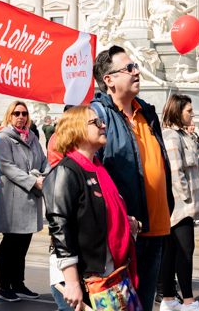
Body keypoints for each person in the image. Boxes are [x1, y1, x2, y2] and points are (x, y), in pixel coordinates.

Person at [90, 46, 173, 311]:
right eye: (129, 68)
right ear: (109, 80)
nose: (136, 71)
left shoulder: (147, 112)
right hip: (124, 233)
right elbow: (90, 174)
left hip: (155, 228)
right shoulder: (98, 116)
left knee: (144, 306)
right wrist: (117, 218)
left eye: (135, 66)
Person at [45, 106, 141, 311]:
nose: (103, 125)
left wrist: (126, 222)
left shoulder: (98, 168)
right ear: (77, 129)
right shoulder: (65, 171)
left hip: (108, 274)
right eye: (96, 122)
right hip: (81, 279)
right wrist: (72, 282)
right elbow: (60, 228)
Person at [0, 100, 49, 302]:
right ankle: (4, 286)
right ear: (10, 116)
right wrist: (33, 181)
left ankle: (18, 283)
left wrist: (45, 175)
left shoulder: (32, 137)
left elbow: (44, 160)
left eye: (24, 113)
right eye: (16, 113)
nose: (21, 117)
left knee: (23, 243)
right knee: (10, 243)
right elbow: (7, 167)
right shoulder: (2, 138)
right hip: (12, 199)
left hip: (30, 197)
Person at [159, 94, 199, 311]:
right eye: (189, 111)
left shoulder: (183, 135)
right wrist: (186, 196)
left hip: (186, 204)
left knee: (173, 252)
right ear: (177, 111)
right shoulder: (171, 135)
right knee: (184, 252)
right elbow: (175, 171)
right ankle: (188, 301)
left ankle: (169, 299)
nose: (192, 114)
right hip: (181, 205)